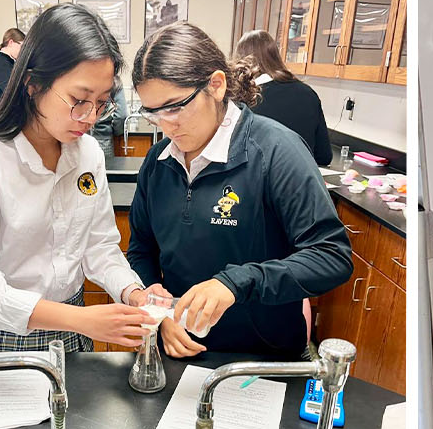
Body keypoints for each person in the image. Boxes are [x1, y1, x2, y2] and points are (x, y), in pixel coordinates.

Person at [125, 23, 352, 359]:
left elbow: (331, 255)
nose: (165, 125)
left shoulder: (276, 151)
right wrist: (158, 313)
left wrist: (238, 282)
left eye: (174, 107)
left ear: (216, 86)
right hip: (180, 350)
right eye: (152, 112)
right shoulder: (158, 163)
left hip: (261, 357)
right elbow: (141, 249)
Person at [0, 4, 154, 352]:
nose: (90, 117)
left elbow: (98, 245)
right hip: (0, 337)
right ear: (32, 83)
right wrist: (81, 320)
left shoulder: (86, 154)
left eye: (101, 103)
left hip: (71, 336)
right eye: (79, 100)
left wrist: (132, 291)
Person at [233, 30, 332, 166]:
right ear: (275, 56)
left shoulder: (244, 97)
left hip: (259, 182)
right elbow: (324, 156)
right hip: (300, 181)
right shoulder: (309, 94)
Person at [0, 28, 26, 102]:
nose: (22, 51)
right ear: (11, 42)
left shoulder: (7, 62)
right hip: (9, 112)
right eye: (21, 46)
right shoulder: (1, 64)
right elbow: (13, 93)